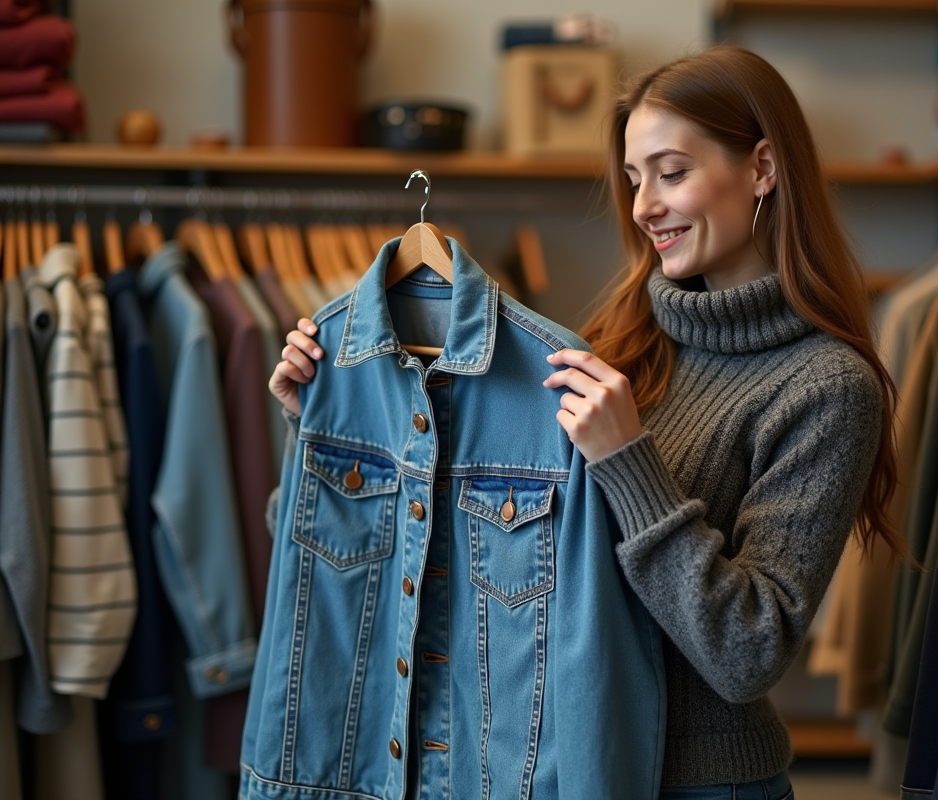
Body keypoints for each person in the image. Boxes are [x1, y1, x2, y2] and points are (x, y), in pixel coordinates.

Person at [269, 45, 904, 800]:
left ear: (763, 169)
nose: (643, 207)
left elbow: (749, 651)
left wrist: (627, 460)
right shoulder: (620, 339)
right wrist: (323, 433)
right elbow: (466, 548)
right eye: (636, 180)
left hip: (700, 785)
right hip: (566, 765)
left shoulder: (829, 387)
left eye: (672, 173)